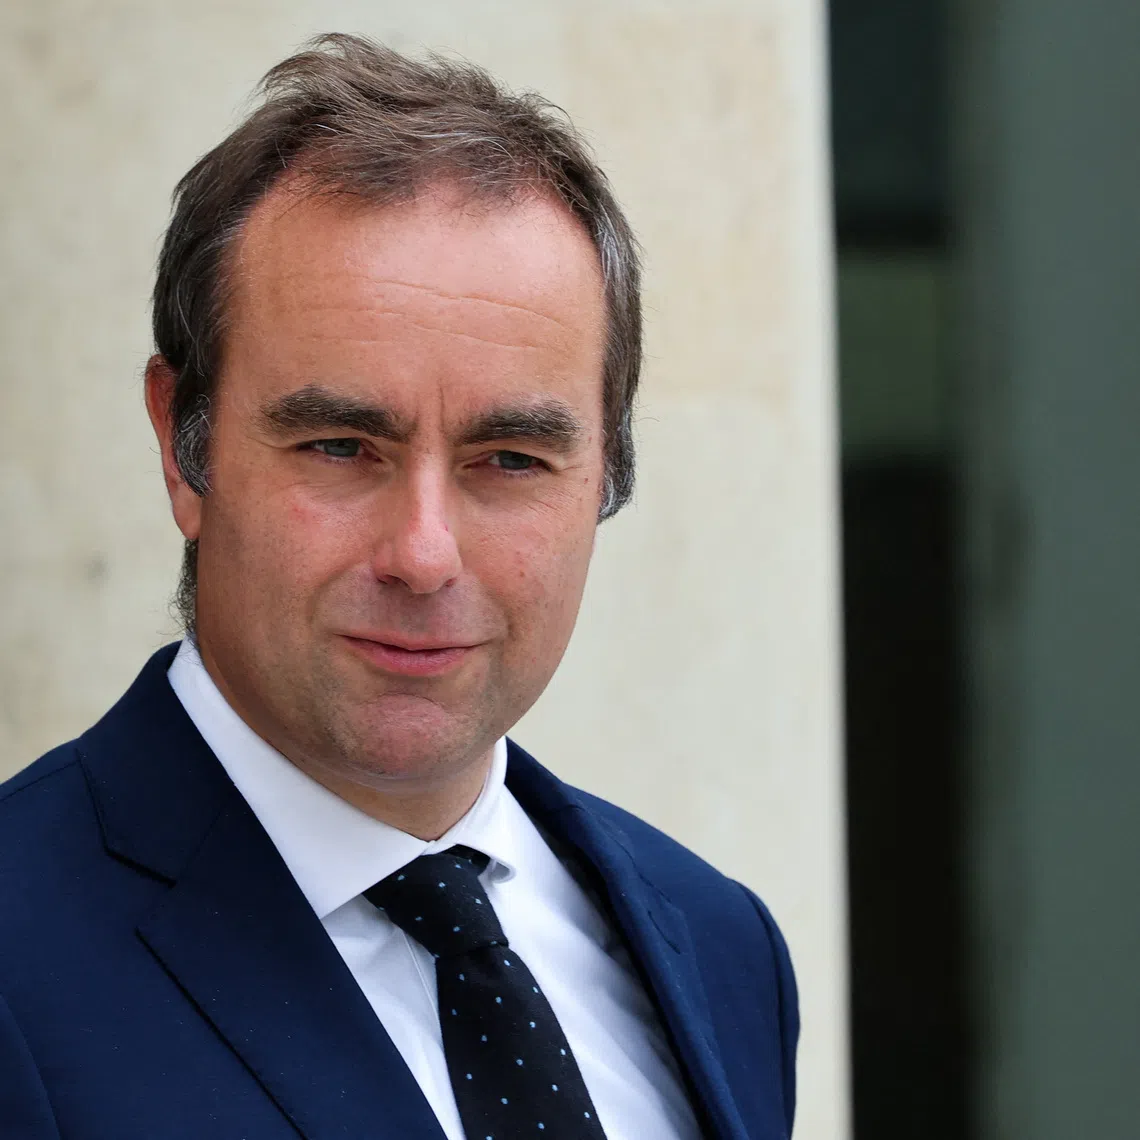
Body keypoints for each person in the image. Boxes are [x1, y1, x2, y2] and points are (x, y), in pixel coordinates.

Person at [0, 34, 797, 1140]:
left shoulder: (721, 949)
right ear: (185, 451)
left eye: (510, 461)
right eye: (339, 446)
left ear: (606, 474)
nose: (424, 555)